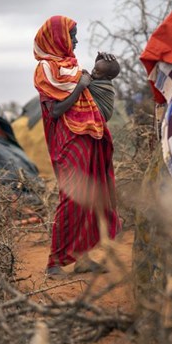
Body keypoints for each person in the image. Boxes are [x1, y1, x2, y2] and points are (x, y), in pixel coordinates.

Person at [33, 15, 121, 279]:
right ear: (58, 38)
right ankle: (54, 262)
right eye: (72, 35)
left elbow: (94, 97)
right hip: (68, 142)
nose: (77, 40)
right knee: (72, 199)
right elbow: (57, 110)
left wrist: (102, 69)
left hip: (88, 139)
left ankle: (82, 257)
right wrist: (79, 87)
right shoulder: (46, 70)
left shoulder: (72, 67)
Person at [88, 53, 120, 122]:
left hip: (101, 114)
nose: (93, 71)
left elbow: (85, 82)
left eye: (97, 71)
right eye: (94, 68)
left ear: (108, 77)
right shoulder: (99, 79)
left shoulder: (104, 87)